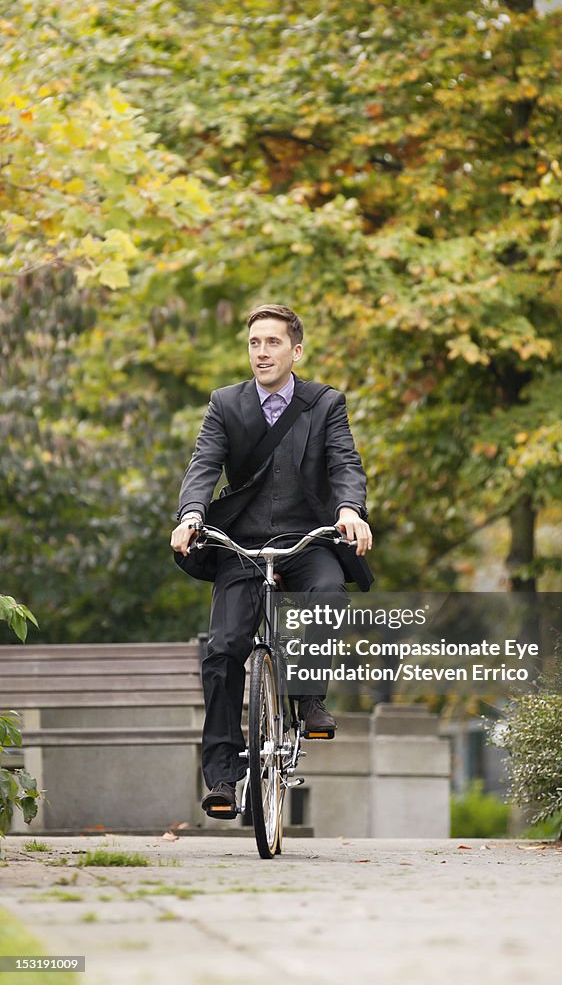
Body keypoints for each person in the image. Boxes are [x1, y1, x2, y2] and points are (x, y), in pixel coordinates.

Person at [170, 305, 372, 818]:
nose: (261, 352)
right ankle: (221, 777)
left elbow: (344, 462)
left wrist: (350, 509)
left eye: (272, 343)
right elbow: (203, 465)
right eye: (254, 343)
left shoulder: (325, 403)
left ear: (295, 350)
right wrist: (191, 515)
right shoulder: (225, 404)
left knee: (327, 595)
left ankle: (307, 699)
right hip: (243, 544)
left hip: (309, 542)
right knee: (222, 651)